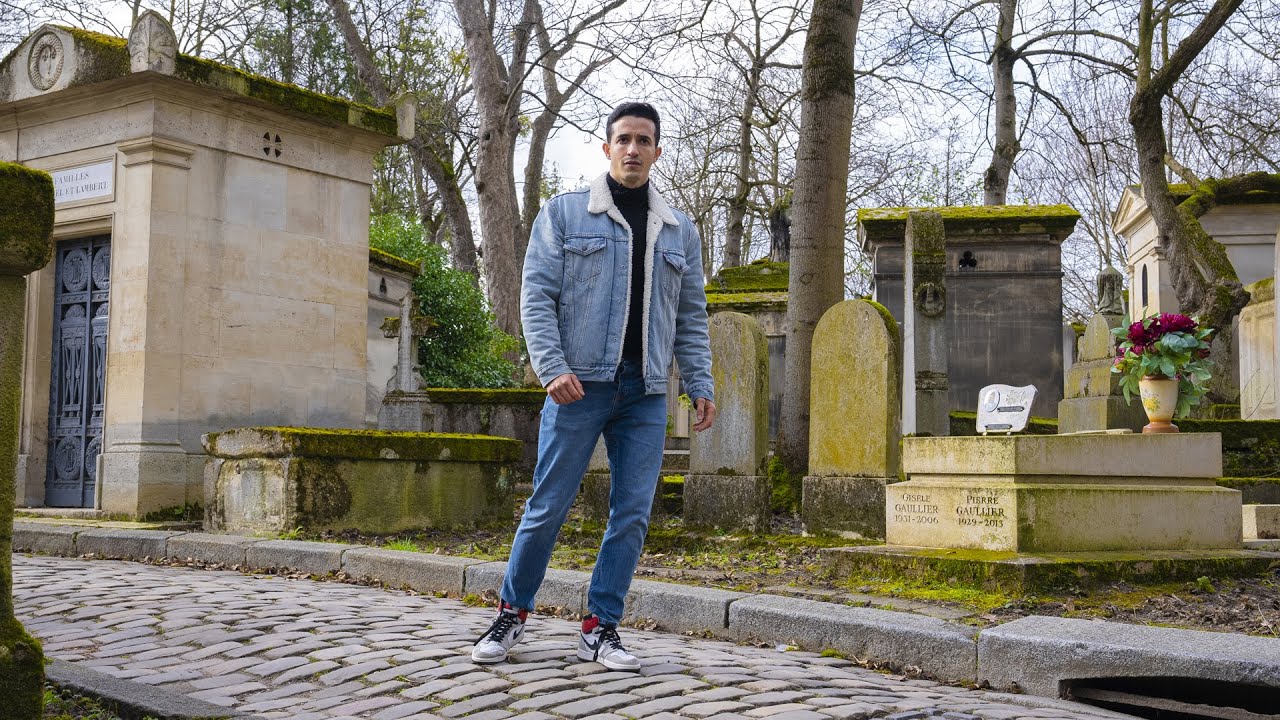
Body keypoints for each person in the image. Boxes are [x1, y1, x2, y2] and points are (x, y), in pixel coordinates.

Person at [472, 102, 717, 671]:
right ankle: (511, 614)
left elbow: (690, 316)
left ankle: (601, 627)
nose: (633, 149)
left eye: (644, 141)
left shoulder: (679, 230)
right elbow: (535, 296)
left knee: (631, 513)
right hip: (578, 386)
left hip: (648, 391)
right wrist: (552, 367)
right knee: (548, 505)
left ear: (657, 151)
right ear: (606, 148)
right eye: (624, 139)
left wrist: (698, 382)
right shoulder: (564, 215)